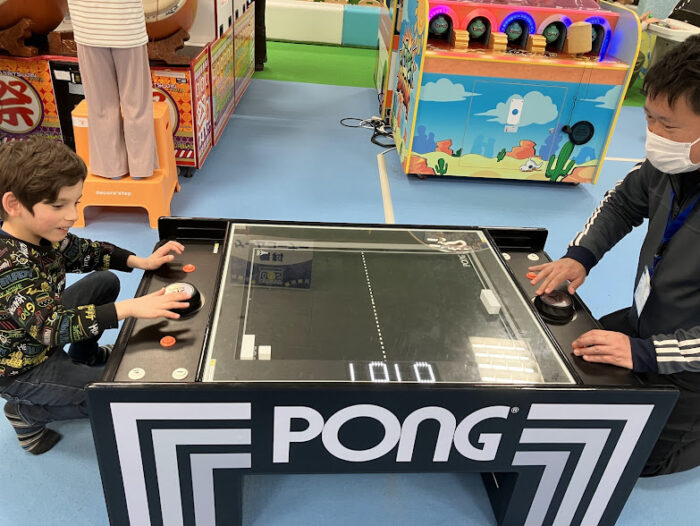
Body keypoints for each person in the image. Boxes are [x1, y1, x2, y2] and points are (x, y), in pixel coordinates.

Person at [529, 34, 700, 477]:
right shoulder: (669, 165)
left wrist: (644, 355)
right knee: (567, 370)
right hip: (647, 322)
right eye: (649, 119)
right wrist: (581, 255)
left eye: (669, 127)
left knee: (630, 461)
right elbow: (622, 202)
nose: (654, 137)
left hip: (690, 367)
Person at [0, 137, 190, 454]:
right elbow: (51, 328)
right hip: (21, 368)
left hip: (40, 330)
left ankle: (83, 357)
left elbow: (83, 251)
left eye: (75, 202)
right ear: (13, 204)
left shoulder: (40, 232)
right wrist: (130, 308)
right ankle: (27, 412)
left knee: (104, 281)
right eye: (58, 206)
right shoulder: (9, 266)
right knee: (113, 394)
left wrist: (140, 261)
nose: (72, 216)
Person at [67, 0, 157, 179]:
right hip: (126, 25)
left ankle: (111, 169)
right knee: (136, 103)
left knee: (101, 106)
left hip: (87, 26)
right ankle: (141, 168)